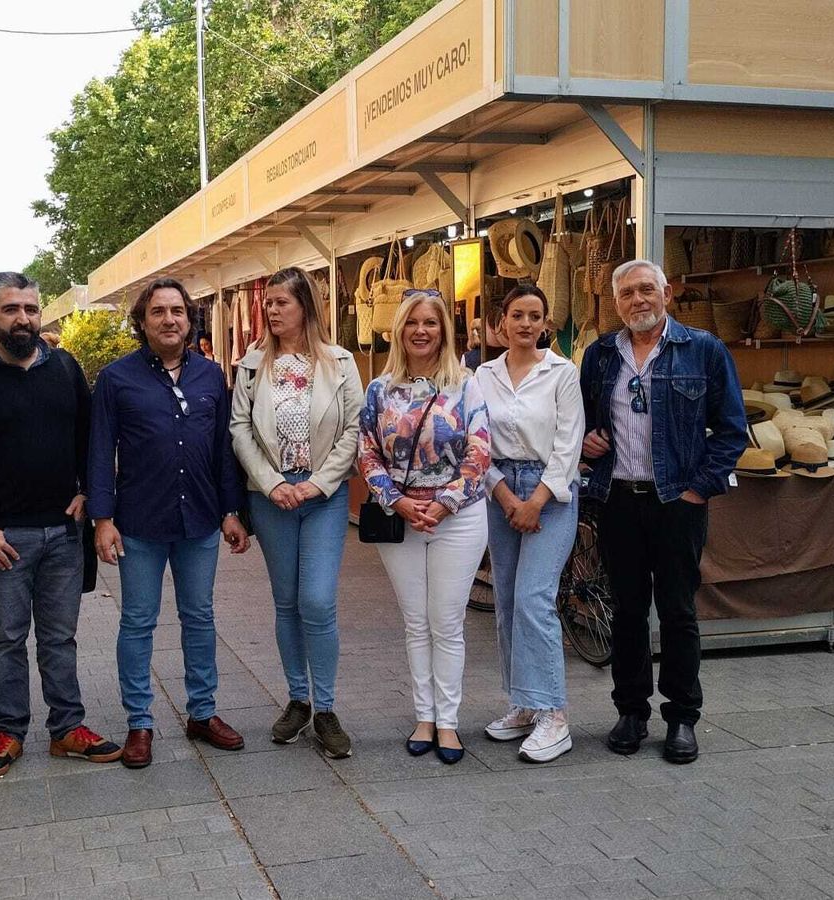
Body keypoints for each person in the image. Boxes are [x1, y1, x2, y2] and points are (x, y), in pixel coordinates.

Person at [0, 272, 123, 779]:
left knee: (60, 638)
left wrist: (89, 490)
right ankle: (8, 730)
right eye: (11, 310)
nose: (23, 318)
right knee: (7, 639)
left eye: (30, 309)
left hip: (64, 534)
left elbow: (93, 440)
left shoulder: (64, 369)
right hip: (2, 540)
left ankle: (67, 728)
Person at [580, 259, 747, 765]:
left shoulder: (704, 350)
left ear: (667, 294)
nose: (638, 300)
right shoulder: (600, 356)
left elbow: (733, 429)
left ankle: (681, 718)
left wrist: (698, 489)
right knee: (627, 612)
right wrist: (585, 441)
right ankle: (631, 711)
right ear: (616, 302)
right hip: (618, 501)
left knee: (678, 611)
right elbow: (585, 421)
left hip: (676, 501)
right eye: (627, 293)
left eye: (646, 290)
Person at [89, 277, 250, 769]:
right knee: (138, 621)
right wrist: (102, 518)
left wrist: (231, 511)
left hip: (200, 520)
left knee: (199, 619)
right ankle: (140, 722)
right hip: (139, 522)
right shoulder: (117, 380)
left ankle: (203, 713)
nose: (169, 320)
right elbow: (99, 451)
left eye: (177, 311)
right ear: (142, 321)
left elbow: (224, 450)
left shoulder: (210, 377)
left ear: (189, 318)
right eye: (158, 312)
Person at [229, 268, 363, 758]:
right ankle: (298, 699)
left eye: (282, 301)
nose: (272, 309)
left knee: (318, 601)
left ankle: (326, 707)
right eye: (269, 302)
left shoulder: (340, 362)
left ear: (306, 305)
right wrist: (272, 483)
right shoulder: (251, 364)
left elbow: (354, 428)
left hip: (323, 500)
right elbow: (239, 429)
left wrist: (316, 483)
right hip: (272, 501)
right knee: (286, 602)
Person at [358, 289, 490, 765]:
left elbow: (480, 449)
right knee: (416, 623)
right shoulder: (380, 389)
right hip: (400, 520)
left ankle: (450, 722)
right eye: (412, 322)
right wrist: (394, 499)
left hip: (457, 519)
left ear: (444, 330)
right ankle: (424, 716)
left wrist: (445, 502)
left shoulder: (467, 385)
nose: (421, 330)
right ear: (399, 330)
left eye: (430, 322)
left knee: (447, 623)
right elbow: (366, 450)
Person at [473, 285, 584, 763]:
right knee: (506, 600)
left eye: (534, 315)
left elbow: (569, 443)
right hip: (500, 488)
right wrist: (503, 493)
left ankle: (555, 715)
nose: (525, 323)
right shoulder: (483, 374)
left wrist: (535, 501)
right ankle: (523, 702)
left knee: (535, 598)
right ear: (502, 322)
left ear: (545, 324)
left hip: (550, 490)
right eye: (517, 314)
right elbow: (478, 440)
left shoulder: (563, 373)